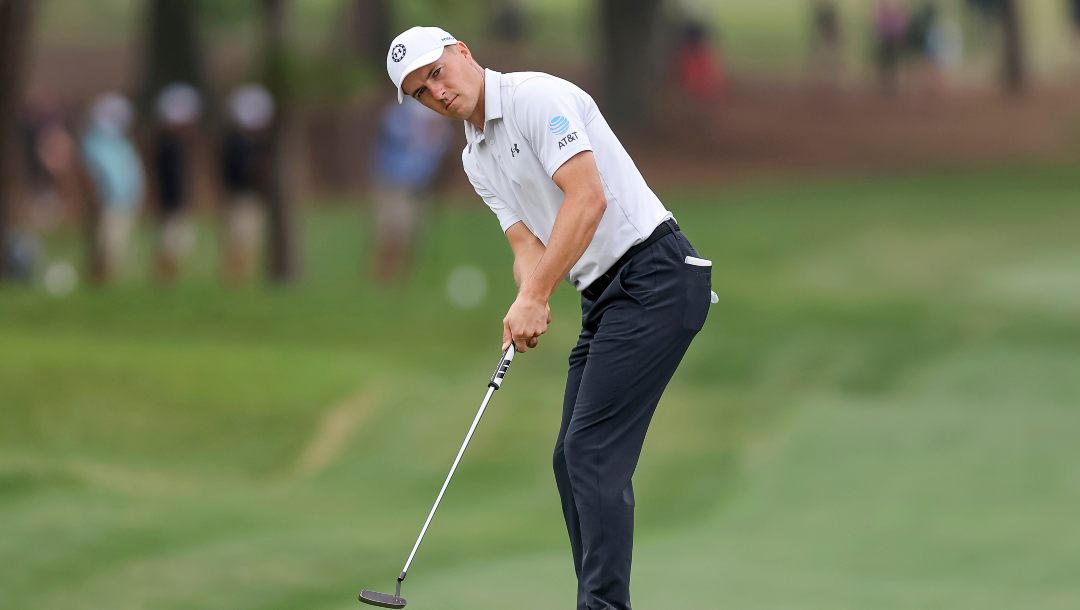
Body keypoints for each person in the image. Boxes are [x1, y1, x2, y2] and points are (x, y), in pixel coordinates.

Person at [385, 26, 714, 610]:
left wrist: (536, 295)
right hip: (607, 295)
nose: (436, 92)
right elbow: (525, 247)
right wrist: (526, 298)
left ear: (462, 52)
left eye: (437, 73)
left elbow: (587, 199)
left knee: (591, 451)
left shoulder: (538, 99)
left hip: (657, 276)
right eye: (420, 92)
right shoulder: (474, 155)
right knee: (571, 458)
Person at [369, 95, 452, 285]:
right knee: (390, 232)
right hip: (393, 182)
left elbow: (439, 150)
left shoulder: (439, 117)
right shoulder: (399, 115)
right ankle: (383, 279)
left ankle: (400, 281)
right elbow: (390, 140)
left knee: (412, 234)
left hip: (420, 185)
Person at [79, 93, 146, 282]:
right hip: (106, 202)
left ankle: (106, 280)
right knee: (105, 245)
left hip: (124, 201)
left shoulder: (122, 143)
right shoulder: (93, 142)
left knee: (116, 245)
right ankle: (99, 281)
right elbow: (93, 175)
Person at [220, 84, 274, 284]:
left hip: (250, 198)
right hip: (241, 198)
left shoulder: (247, 142)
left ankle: (242, 281)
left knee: (251, 245)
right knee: (239, 243)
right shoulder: (236, 142)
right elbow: (241, 173)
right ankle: (234, 282)